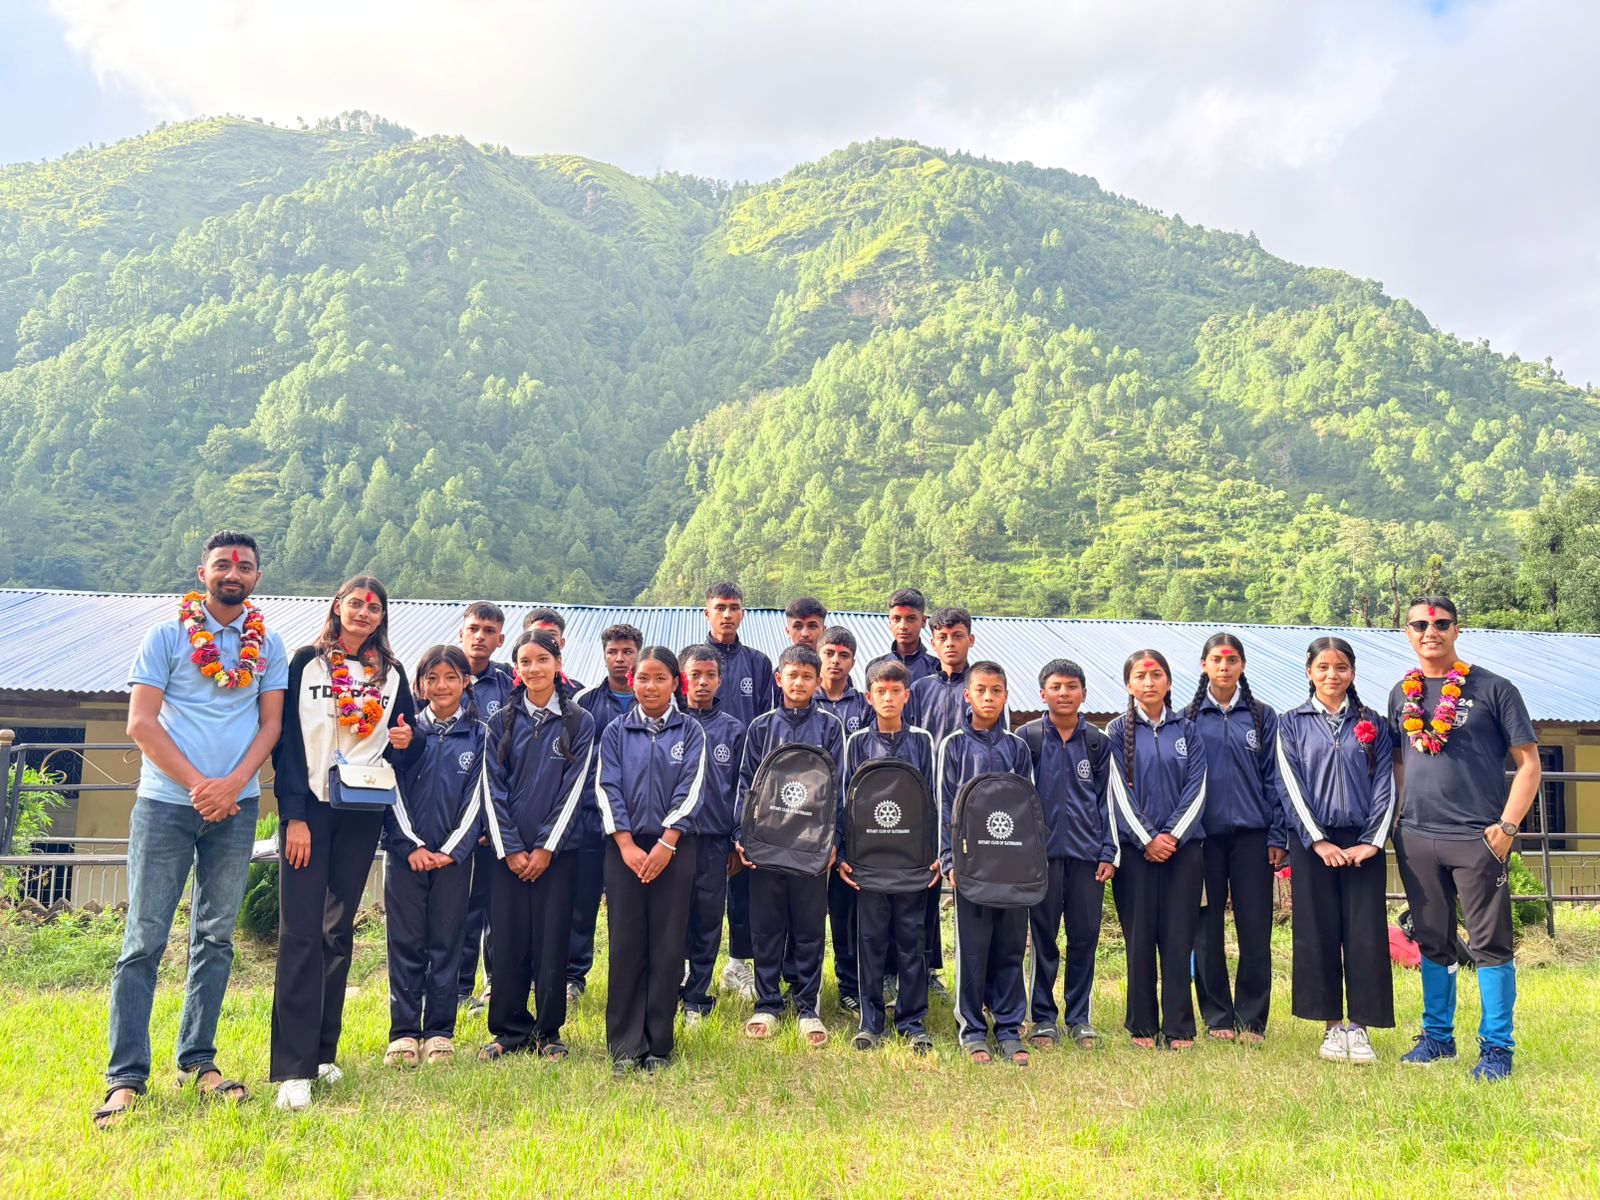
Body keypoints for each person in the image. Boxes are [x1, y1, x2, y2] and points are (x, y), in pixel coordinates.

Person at [96, 531, 288, 1130]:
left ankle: (198, 1061)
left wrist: (231, 788)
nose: (234, 572)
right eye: (223, 563)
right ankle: (126, 1077)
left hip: (237, 809)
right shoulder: (166, 635)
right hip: (165, 804)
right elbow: (141, 722)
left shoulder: (269, 643)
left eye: (245, 566)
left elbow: (271, 725)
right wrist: (200, 785)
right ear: (203, 572)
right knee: (144, 939)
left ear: (256, 578)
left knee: (216, 937)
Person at [271, 575, 422, 1110]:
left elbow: (404, 748)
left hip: (362, 810)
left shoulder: (393, 674)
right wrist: (293, 816)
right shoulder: (305, 663)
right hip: (310, 810)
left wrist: (407, 740)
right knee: (301, 932)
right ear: (338, 606)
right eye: (355, 603)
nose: (363, 612)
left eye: (373, 607)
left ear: (382, 617)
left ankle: (322, 1053)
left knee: (337, 931)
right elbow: (287, 743)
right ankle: (292, 1070)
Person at [1389, 596, 1540, 1081]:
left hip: (1478, 838)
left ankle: (1497, 1047)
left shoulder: (1494, 689)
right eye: (1419, 624)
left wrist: (1508, 827)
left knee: (1490, 944)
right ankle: (1438, 1038)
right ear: (1407, 632)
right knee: (1433, 940)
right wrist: (1399, 819)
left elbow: (1529, 765)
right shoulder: (1401, 694)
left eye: (1440, 623)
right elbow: (1399, 762)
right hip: (1417, 838)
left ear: (1457, 629)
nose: (1429, 631)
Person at [1277, 637, 1396, 1064]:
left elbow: (1386, 783)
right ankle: (1331, 1027)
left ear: (1353, 672)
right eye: (1323, 667)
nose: (1332, 675)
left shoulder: (1374, 724)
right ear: (1309, 671)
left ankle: (1360, 1027)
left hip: (1364, 843)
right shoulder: (1290, 724)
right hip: (1312, 842)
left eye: (1341, 667)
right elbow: (1288, 784)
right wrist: (1318, 840)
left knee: (1366, 934)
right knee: (1317, 932)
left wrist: (1372, 841)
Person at [479, 630, 595, 1063]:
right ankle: (509, 1030)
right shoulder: (500, 722)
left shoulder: (579, 721)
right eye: (525, 662)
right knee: (507, 941)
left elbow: (575, 788)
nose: (534, 668)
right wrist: (511, 849)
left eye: (542, 660)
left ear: (557, 664)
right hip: (508, 856)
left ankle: (549, 1031)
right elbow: (492, 788)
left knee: (552, 942)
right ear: (516, 670)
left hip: (557, 856)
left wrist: (546, 847)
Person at [595, 647, 706, 1073]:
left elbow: (691, 789)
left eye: (661, 678)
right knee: (626, 944)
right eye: (643, 678)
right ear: (632, 682)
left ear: (676, 683)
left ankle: (659, 1043)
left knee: (667, 944)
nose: (651, 686)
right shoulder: (615, 732)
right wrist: (626, 845)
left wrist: (666, 843)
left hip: (674, 850)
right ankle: (625, 1045)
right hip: (624, 850)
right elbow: (607, 788)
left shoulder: (691, 731)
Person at [383, 645, 486, 1068]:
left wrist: (450, 851)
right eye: (432, 678)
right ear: (419, 684)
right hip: (405, 857)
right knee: (405, 942)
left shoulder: (480, 735)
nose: (441, 686)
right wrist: (411, 846)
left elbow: (480, 797)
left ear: (466, 682)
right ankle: (404, 1033)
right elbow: (389, 789)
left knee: (447, 941)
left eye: (450, 677)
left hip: (453, 861)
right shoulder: (402, 731)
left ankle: (440, 1031)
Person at [737, 644, 845, 1047]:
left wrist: (835, 840)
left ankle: (807, 1007)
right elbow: (745, 784)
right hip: (766, 843)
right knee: (767, 927)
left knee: (808, 927)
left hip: (812, 846)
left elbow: (840, 787)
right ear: (779, 678)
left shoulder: (830, 727)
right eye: (792, 675)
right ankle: (767, 1003)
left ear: (818, 682)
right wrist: (741, 836)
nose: (799, 683)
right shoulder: (761, 727)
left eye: (807, 677)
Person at [1185, 634, 1285, 1044]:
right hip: (1203, 840)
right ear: (1204, 665)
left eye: (1231, 660)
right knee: (1206, 931)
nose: (1224, 667)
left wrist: (1277, 833)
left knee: (1255, 929)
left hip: (1253, 839)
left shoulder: (1262, 716)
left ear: (1242, 666)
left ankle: (1252, 1019)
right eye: (1216, 660)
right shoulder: (1188, 718)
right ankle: (1217, 1017)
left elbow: (1276, 779)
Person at [1105, 649, 1207, 1051]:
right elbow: (1116, 790)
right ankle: (1142, 1026)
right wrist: (1147, 837)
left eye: (1157, 675)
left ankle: (1179, 1027)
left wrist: (1172, 836)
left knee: (1179, 939)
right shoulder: (1115, 731)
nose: (1149, 682)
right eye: (1140, 676)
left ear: (1168, 682)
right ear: (1129, 685)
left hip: (1184, 851)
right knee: (1140, 938)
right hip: (1136, 854)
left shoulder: (1188, 730)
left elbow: (1198, 787)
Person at [936, 661, 1035, 1065]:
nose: (989, 697)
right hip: (971, 865)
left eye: (996, 690)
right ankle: (973, 1029)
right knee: (973, 950)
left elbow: (1029, 806)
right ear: (968, 695)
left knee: (1010, 946)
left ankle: (1009, 1028)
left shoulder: (1017, 748)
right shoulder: (953, 746)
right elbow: (944, 804)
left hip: (1012, 864)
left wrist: (1029, 862)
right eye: (981, 690)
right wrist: (949, 858)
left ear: (1006, 696)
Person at [838, 660, 938, 1053]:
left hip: (912, 862)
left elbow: (933, 800)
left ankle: (912, 1021)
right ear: (869, 697)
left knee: (912, 940)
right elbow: (846, 800)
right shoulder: (856, 743)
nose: (889, 698)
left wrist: (934, 854)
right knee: (870, 940)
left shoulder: (923, 742)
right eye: (881, 691)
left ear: (906, 695)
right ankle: (871, 1022)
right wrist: (844, 853)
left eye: (896, 691)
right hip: (869, 862)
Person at [1016, 659, 1116, 1051]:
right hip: (1039, 860)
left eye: (1071, 686)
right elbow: (1016, 798)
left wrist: (1109, 850)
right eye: (1056, 686)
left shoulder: (1096, 742)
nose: (1064, 693)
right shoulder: (1027, 738)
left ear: (1084, 694)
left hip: (1088, 857)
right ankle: (1043, 1019)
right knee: (1042, 939)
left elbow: (1108, 801)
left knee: (1084, 938)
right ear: (1043, 693)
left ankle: (1079, 1019)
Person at [702, 581, 776, 998]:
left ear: (743, 613)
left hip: (747, 783)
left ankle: (738, 965)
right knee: (699, 885)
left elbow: (767, 724)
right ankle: (693, 968)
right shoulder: (693, 658)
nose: (727, 614)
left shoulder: (758, 663)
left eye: (733, 607)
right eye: (720, 607)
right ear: (707, 613)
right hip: (704, 784)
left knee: (744, 879)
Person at [569, 623, 644, 1006]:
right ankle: (573, 977)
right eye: (613, 651)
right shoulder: (583, 701)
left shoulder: (653, 700)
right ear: (604, 655)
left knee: (628, 907)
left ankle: (629, 977)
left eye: (627, 651)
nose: (620, 659)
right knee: (581, 903)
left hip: (635, 823)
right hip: (588, 817)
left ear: (638, 654)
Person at [906, 605, 978, 997]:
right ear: (933, 643)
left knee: (969, 887)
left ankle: (970, 979)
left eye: (957, 636)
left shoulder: (983, 684)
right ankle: (919, 969)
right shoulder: (919, 689)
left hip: (969, 805)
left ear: (971, 639)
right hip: (925, 803)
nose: (950, 644)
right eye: (943, 638)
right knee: (923, 887)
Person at [677, 644, 748, 1025]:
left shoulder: (733, 730)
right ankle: (669, 989)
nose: (702, 682)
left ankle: (697, 998)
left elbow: (741, 790)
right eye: (694, 675)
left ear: (720, 680)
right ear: (681, 679)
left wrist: (735, 839)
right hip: (673, 840)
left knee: (707, 920)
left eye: (709, 675)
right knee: (673, 919)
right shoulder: (669, 723)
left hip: (715, 840)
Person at [455, 601, 514, 1012]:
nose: (480, 636)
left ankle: (497, 984)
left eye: (489, 630)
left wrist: (497, 820)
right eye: (474, 628)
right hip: (450, 815)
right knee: (461, 908)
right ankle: (459, 989)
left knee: (495, 905)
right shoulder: (440, 674)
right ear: (461, 632)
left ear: (501, 639)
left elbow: (513, 756)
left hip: (494, 817)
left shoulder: (509, 686)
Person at [815, 625, 870, 1014]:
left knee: (847, 912)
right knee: (804, 916)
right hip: (806, 823)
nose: (836, 661)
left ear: (852, 660)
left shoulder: (864, 705)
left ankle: (850, 985)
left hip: (850, 824)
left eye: (843, 655)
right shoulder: (803, 697)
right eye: (829, 653)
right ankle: (801, 986)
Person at [865, 587, 940, 685]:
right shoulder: (875, 666)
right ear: (890, 621)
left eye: (911, 619)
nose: (903, 626)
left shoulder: (937, 667)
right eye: (897, 619)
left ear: (923, 621)